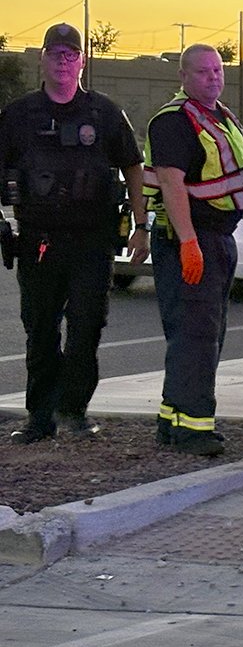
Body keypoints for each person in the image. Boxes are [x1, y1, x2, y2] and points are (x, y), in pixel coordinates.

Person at [1, 23, 150, 444]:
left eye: (71, 55)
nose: (63, 62)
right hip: (38, 239)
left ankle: (75, 411)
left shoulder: (103, 113)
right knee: (41, 330)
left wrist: (141, 227)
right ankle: (40, 418)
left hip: (91, 240)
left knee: (86, 328)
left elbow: (134, 167)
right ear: (42, 59)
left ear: (82, 61)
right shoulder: (18, 115)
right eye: (55, 54)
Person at [143, 44, 243, 456]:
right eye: (203, 72)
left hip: (217, 238)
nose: (213, 77)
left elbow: (236, 182)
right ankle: (194, 430)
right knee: (195, 336)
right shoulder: (175, 121)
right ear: (183, 76)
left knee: (205, 335)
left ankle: (173, 421)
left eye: (217, 70)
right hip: (190, 238)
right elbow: (171, 183)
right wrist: (188, 242)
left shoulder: (220, 118)